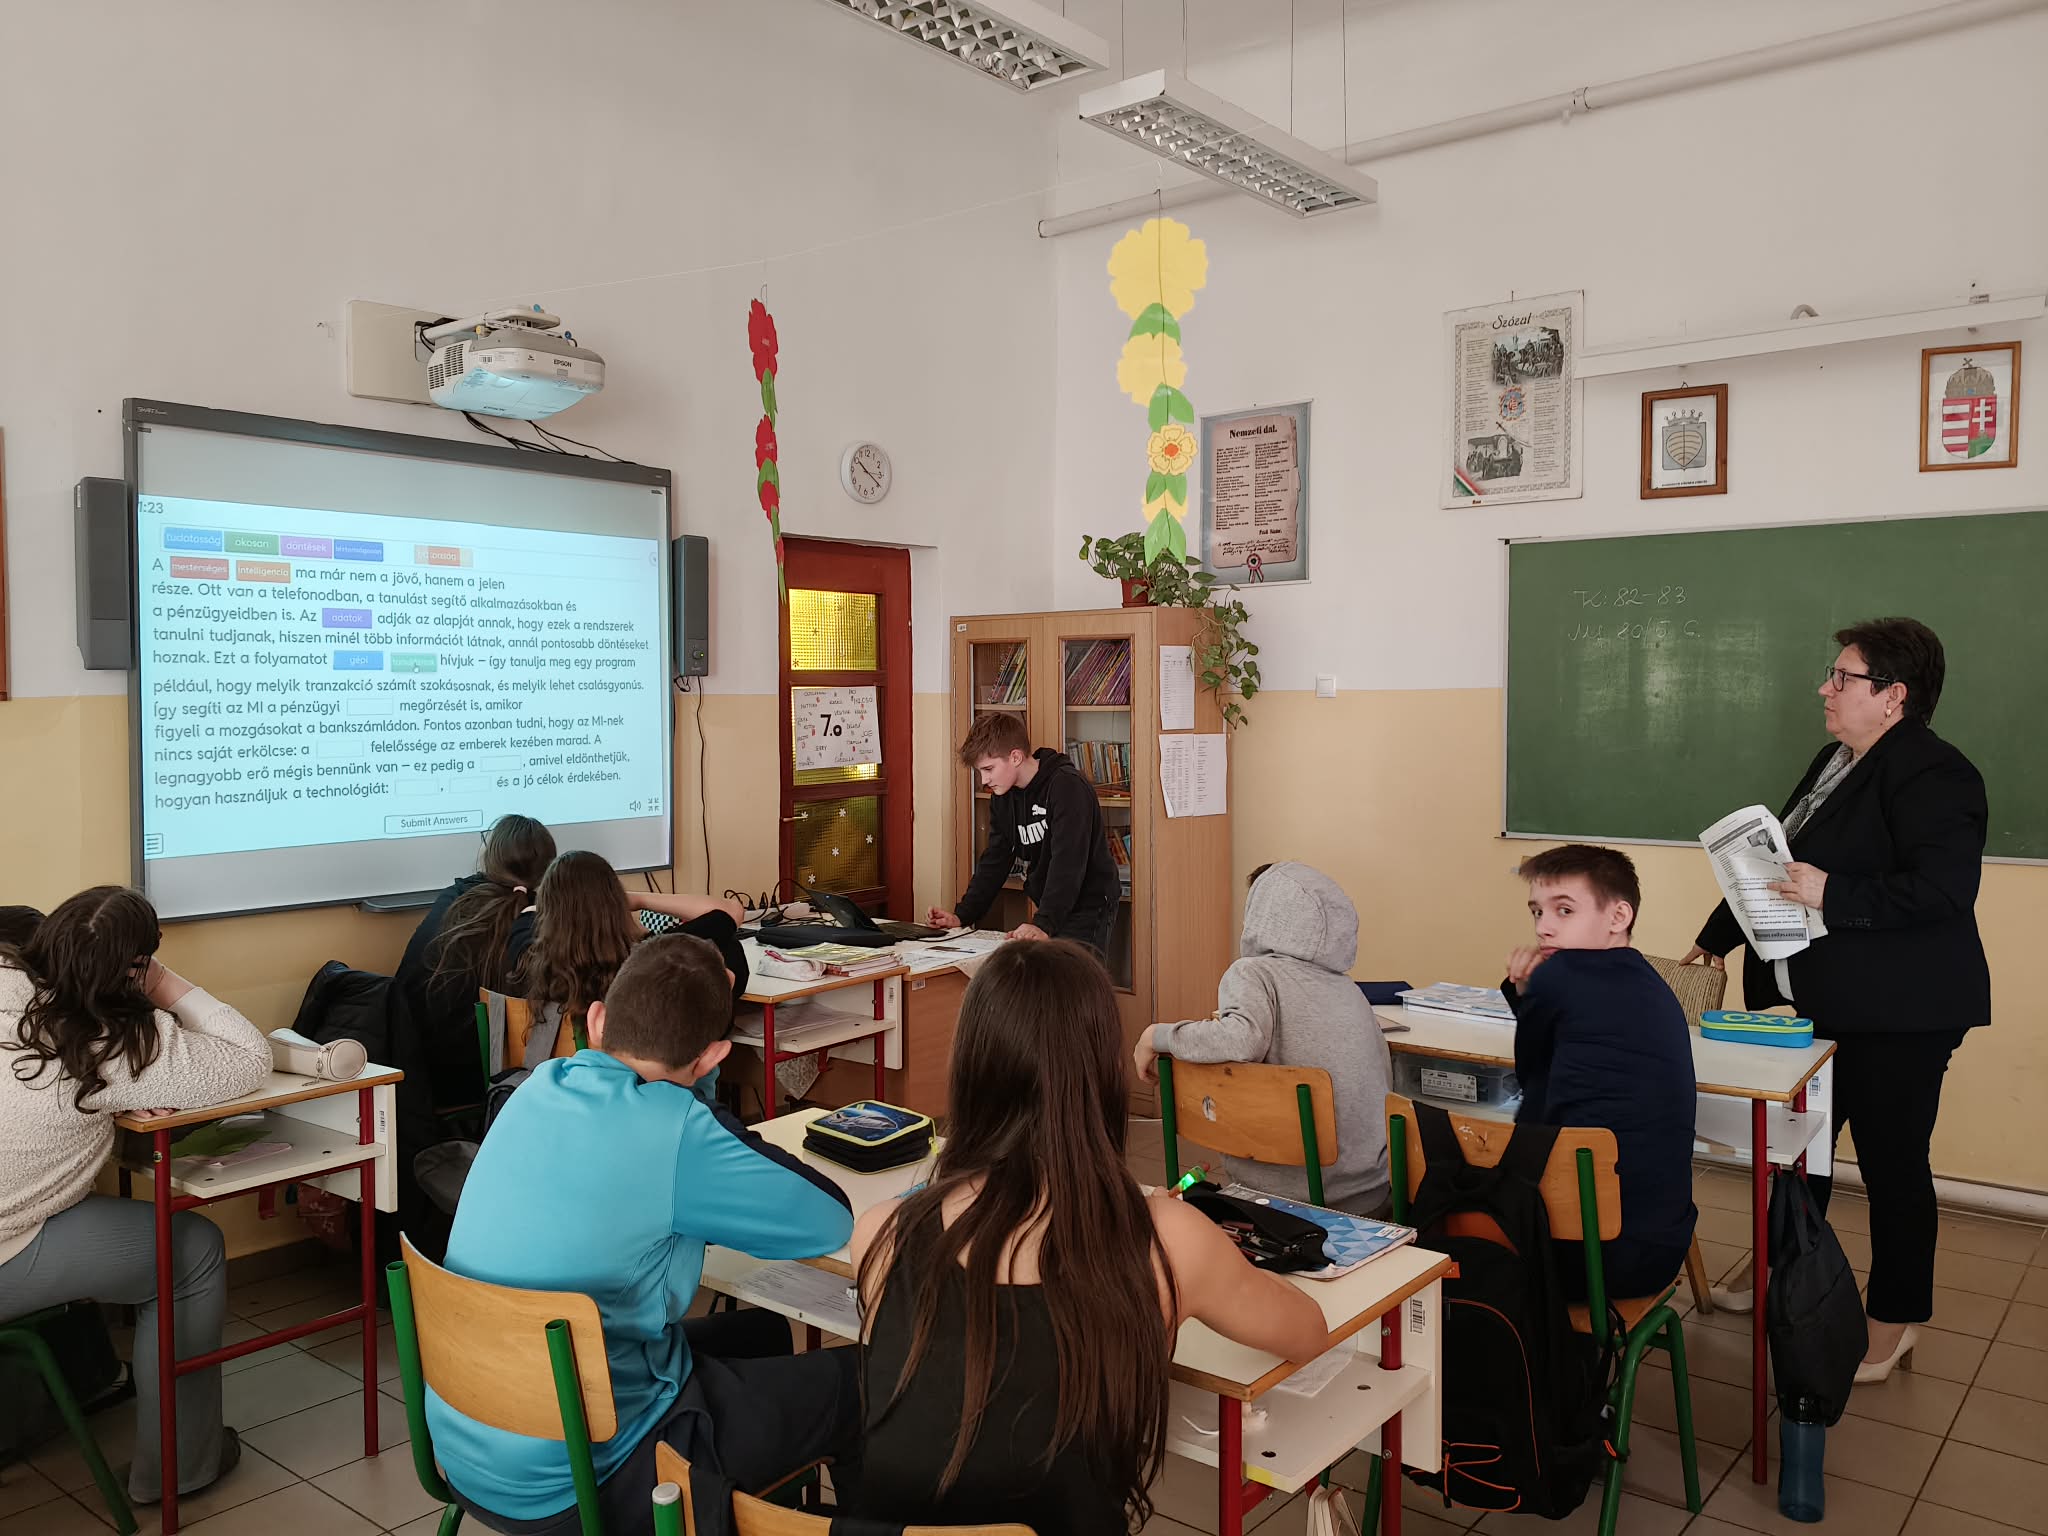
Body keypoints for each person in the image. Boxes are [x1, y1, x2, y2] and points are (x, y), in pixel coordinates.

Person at [848, 941, 1331, 1535]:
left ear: (969, 1069)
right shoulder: (1168, 1241)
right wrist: (1181, 1237)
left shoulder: (882, 1233)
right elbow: (1308, 1332)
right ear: (1099, 1076)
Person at [428, 933, 861, 1536]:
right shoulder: (678, 1129)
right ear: (712, 1057)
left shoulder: (538, 1086)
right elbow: (829, 1217)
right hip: (590, 1478)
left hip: (470, 1447)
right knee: (865, 1384)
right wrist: (698, 1101)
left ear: (597, 1020)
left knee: (763, 1332)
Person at [1681, 618, 1988, 1382]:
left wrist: (1836, 893)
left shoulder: (1937, 773)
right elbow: (1780, 865)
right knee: (1797, 1151)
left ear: (1893, 696)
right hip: (1822, 1002)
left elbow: (1943, 891)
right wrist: (1716, 936)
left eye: (1843, 677)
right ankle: (1782, 1270)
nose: (1826, 687)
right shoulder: (1836, 761)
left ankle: (1893, 1321)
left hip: (1902, 1012)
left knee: (1892, 1168)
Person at [0, 887, 272, 1504]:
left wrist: (109, 1102)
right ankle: (181, 1469)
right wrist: (159, 983)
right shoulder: (110, 1042)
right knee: (191, 1251)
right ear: (132, 967)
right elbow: (247, 1057)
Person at [1131, 862, 1392, 1215]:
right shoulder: (1350, 990)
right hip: (1371, 1195)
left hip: (1279, 1197)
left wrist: (1156, 1035)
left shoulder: (1253, 973)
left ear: (1262, 914)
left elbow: (1241, 1039)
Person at [1505, 846, 1698, 1301]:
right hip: (1656, 1249)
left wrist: (1525, 994)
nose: (1543, 927)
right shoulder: (1651, 982)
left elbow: (1530, 1082)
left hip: (1573, 1260)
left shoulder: (1558, 976)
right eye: (1537, 911)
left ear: (1618, 916)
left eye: (1564, 910)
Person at [511, 850, 748, 1052]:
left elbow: (532, 912)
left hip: (556, 1082)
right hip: (644, 1083)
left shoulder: (525, 953)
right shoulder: (648, 960)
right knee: (729, 948)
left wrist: (564, 901)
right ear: (616, 903)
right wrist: (638, 899)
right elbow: (730, 913)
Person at [396, 813, 557, 1105]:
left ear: (490, 858)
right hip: (510, 1085)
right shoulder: (549, 922)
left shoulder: (455, 901)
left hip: (424, 1074)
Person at [928, 712, 1122, 954]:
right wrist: (962, 916)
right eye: (980, 771)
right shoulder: (1003, 797)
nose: (984, 779)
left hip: (1090, 902)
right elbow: (995, 860)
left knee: (1076, 975)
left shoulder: (1067, 787)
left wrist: (1043, 923)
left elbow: (1068, 863)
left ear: (1016, 757)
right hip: (1053, 903)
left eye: (989, 769)